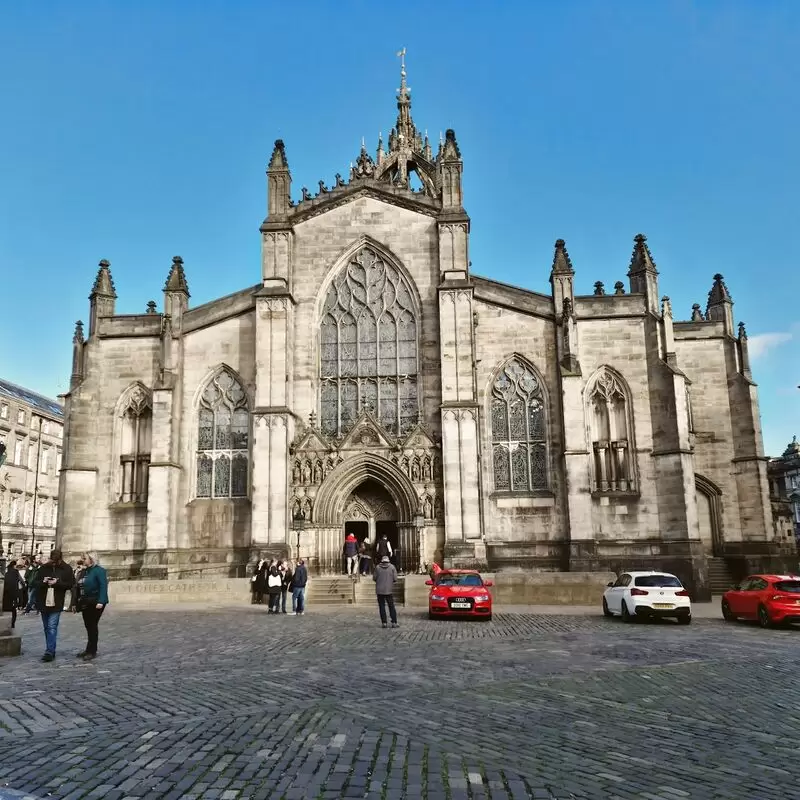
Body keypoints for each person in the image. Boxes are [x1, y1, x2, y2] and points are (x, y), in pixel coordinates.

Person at [33, 549, 75, 662]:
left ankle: (49, 651)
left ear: (60, 559)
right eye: (52, 561)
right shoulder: (44, 568)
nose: (54, 563)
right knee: (47, 627)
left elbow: (70, 584)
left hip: (57, 601)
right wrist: (43, 581)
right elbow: (34, 583)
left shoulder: (66, 569)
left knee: (52, 626)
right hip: (43, 601)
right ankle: (50, 648)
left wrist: (58, 583)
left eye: (56, 561)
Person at [76, 551, 108, 661]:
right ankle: (88, 649)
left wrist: (101, 601)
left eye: (84, 558)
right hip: (85, 601)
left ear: (91, 559)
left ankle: (92, 650)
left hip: (95, 602)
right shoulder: (84, 571)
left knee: (92, 626)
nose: (83, 560)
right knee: (88, 626)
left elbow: (103, 586)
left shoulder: (99, 571)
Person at [373, 555, 399, 629]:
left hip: (379, 590)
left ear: (382, 561)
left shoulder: (377, 567)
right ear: (388, 561)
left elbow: (374, 578)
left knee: (382, 607)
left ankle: (384, 622)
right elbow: (395, 578)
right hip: (388, 590)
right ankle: (394, 622)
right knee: (391, 607)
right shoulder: (392, 567)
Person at [2, 559, 24, 629]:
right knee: (13, 610)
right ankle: (12, 624)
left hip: (6, 595)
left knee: (6, 609)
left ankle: (6, 625)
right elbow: (21, 584)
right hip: (13, 595)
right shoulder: (16, 573)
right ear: (14, 566)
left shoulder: (6, 573)